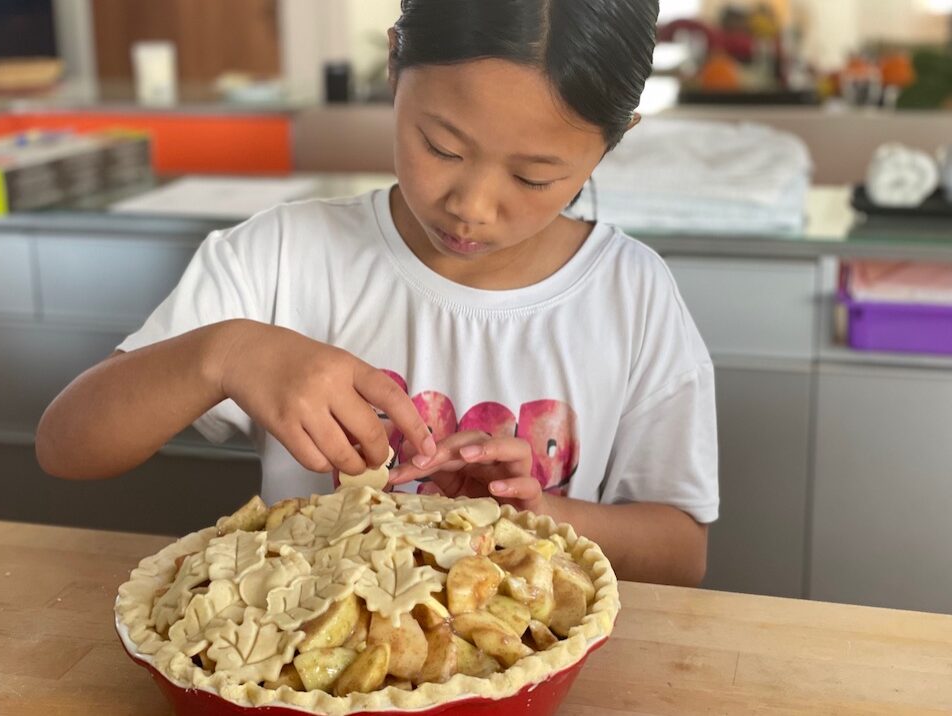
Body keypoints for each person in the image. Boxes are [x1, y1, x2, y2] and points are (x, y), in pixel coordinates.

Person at [37, 0, 717, 587]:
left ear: (612, 142)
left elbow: (682, 553)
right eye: (442, 147)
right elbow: (65, 446)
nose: (472, 206)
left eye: (535, 178)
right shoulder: (283, 256)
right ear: (394, 64)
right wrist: (225, 353)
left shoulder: (631, 294)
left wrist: (544, 516)